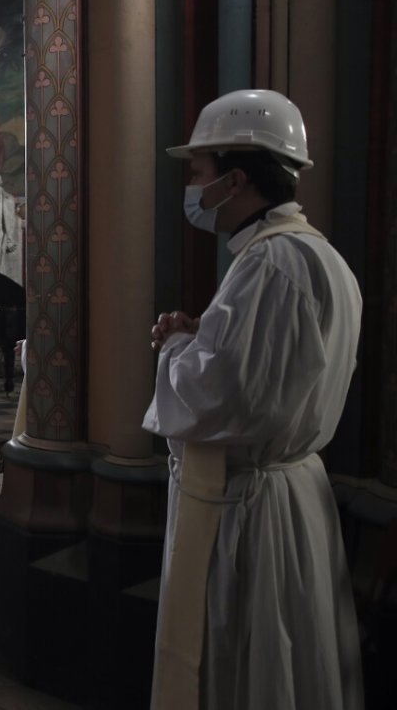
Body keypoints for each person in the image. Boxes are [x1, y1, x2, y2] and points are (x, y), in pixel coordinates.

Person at [142, 89, 363, 710]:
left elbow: (224, 400)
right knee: (288, 657)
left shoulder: (273, 264)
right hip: (290, 492)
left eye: (199, 170)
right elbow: (265, 374)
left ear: (236, 178)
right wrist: (201, 336)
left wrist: (171, 349)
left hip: (251, 507)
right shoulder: (319, 256)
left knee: (249, 663)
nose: (192, 185)